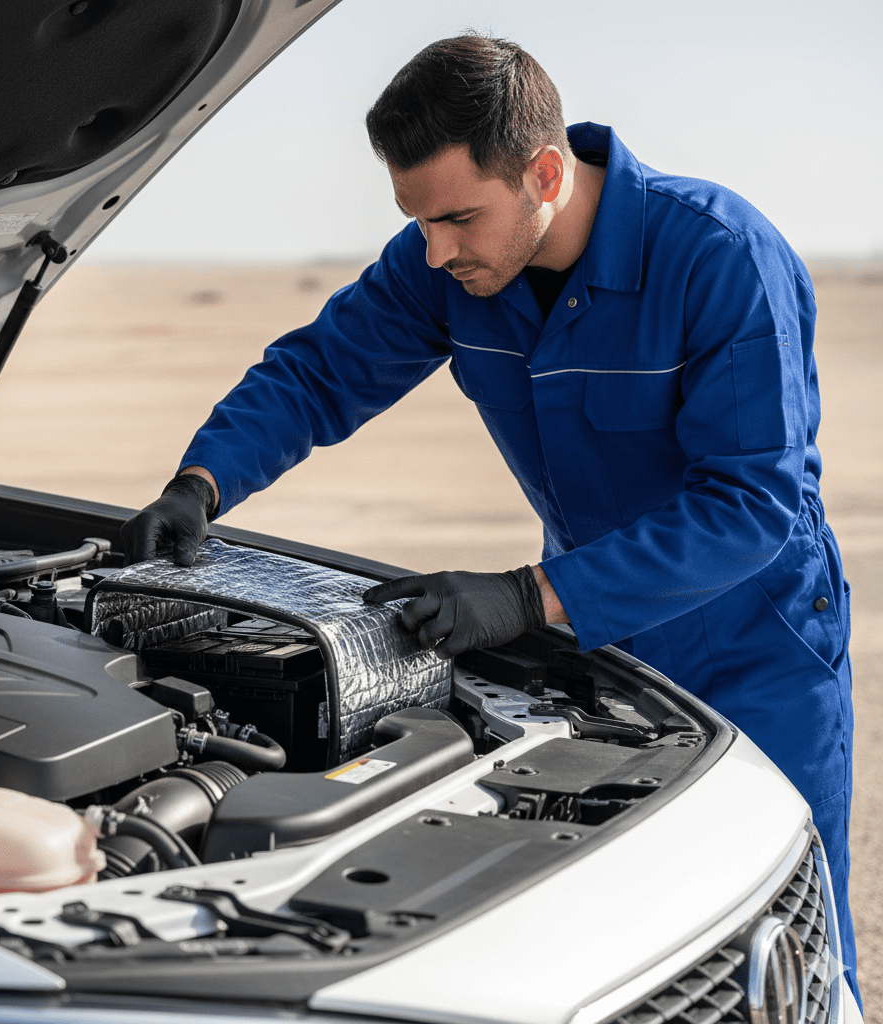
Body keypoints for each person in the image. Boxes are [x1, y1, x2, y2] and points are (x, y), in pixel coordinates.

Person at [121, 34, 859, 1004]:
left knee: (774, 947)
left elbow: (748, 506)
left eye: (458, 217)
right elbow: (319, 371)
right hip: (609, 648)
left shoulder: (717, 258)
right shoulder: (450, 260)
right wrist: (202, 482)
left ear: (544, 171)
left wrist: (528, 596)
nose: (435, 251)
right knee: (631, 944)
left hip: (756, 647)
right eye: (417, 221)